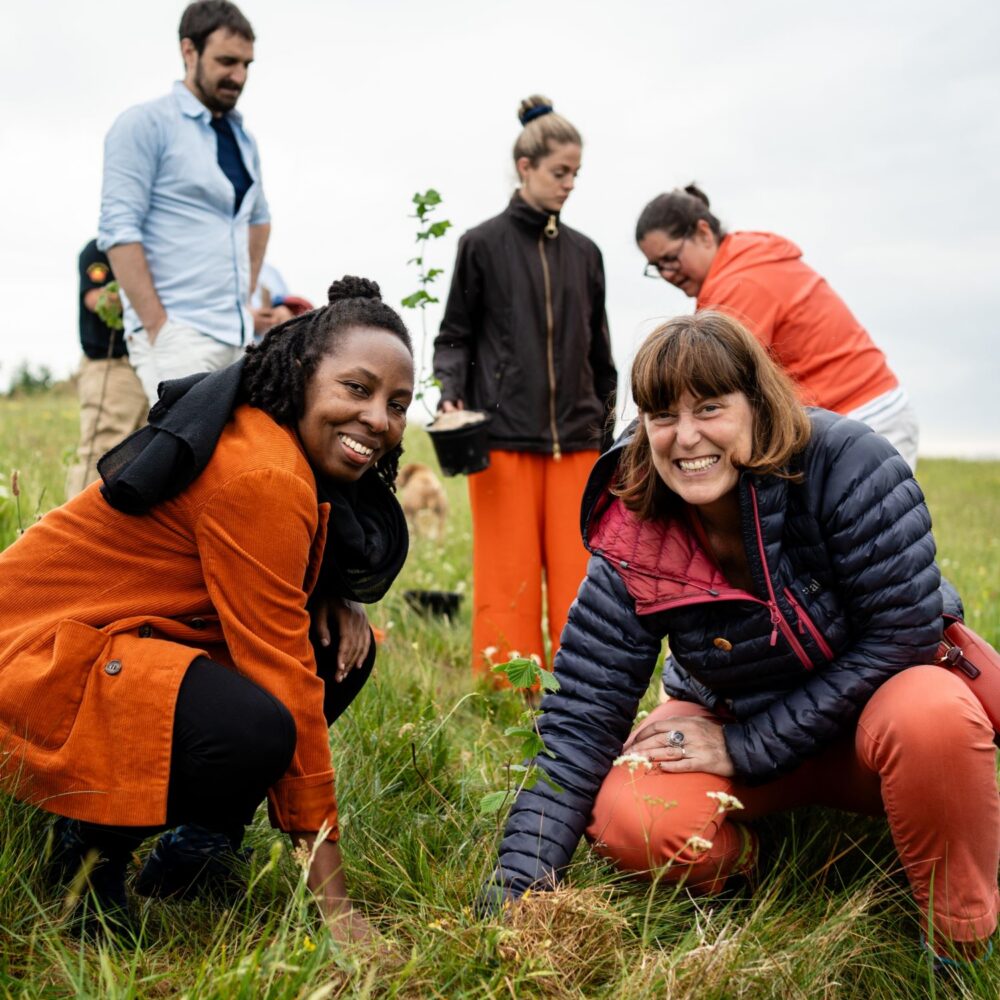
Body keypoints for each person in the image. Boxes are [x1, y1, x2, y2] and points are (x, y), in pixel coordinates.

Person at [485, 312, 998, 969]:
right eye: (663, 414)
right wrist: (513, 898)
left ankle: (958, 938)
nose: (686, 436)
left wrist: (742, 748)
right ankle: (765, 868)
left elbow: (903, 634)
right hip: (736, 711)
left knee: (934, 715)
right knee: (628, 815)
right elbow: (582, 719)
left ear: (757, 404)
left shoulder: (848, 463)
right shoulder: (636, 527)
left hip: (876, 718)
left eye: (710, 407)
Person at [0, 277, 414, 942]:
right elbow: (285, 682)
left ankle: (199, 844)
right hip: (32, 660)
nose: (379, 420)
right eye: (357, 389)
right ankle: (89, 849)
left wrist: (330, 593)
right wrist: (337, 908)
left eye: (398, 404)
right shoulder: (266, 475)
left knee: (339, 651)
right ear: (303, 375)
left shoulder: (275, 440)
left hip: (108, 645)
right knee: (257, 726)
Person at [432, 94, 617, 679]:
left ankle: (581, 689)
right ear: (526, 167)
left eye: (575, 174)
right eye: (561, 173)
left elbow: (600, 352)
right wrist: (450, 395)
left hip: (579, 445)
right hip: (501, 439)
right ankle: (506, 694)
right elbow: (454, 337)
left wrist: (608, 429)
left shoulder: (588, 254)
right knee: (504, 578)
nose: (569, 184)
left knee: (579, 579)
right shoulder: (480, 244)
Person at [635, 185, 919, 471]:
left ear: (704, 233)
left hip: (861, 416)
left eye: (670, 259)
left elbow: (703, 384)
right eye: (657, 267)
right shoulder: (745, 259)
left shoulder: (740, 284)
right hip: (858, 411)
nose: (668, 274)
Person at [98, 0, 269, 408]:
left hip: (238, 334)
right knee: (187, 463)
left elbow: (259, 219)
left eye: (247, 64)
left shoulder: (242, 138)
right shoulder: (144, 124)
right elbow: (118, 230)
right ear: (188, 51)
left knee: (237, 464)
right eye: (227, 61)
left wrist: (244, 299)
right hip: (179, 334)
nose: (238, 76)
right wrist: (158, 326)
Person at [65, 240, 149, 499]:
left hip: (146, 363)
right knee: (101, 452)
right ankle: (73, 534)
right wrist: (147, 293)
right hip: (110, 365)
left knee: (141, 454)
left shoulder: (154, 249)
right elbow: (97, 299)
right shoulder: (99, 251)